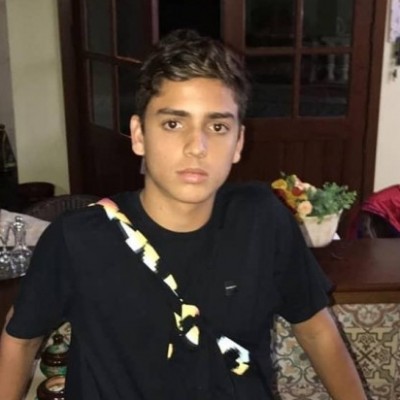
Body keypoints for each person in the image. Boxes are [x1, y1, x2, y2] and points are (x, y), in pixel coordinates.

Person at [0, 29, 366, 400]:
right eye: (173, 124)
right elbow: (21, 339)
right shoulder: (79, 238)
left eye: (218, 126)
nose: (197, 146)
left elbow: (316, 330)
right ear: (139, 134)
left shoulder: (261, 220)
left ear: (238, 142)